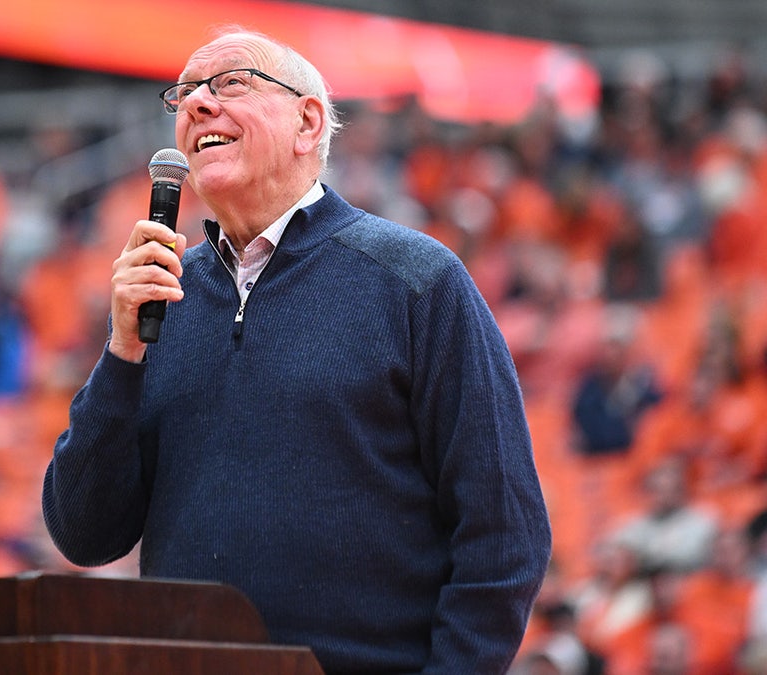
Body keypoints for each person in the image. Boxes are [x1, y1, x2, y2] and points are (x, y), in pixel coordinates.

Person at [41, 26, 551, 674]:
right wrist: (120, 351)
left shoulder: (418, 281)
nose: (197, 104)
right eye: (185, 95)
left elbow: (504, 533)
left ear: (308, 121)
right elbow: (84, 533)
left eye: (229, 83)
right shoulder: (158, 301)